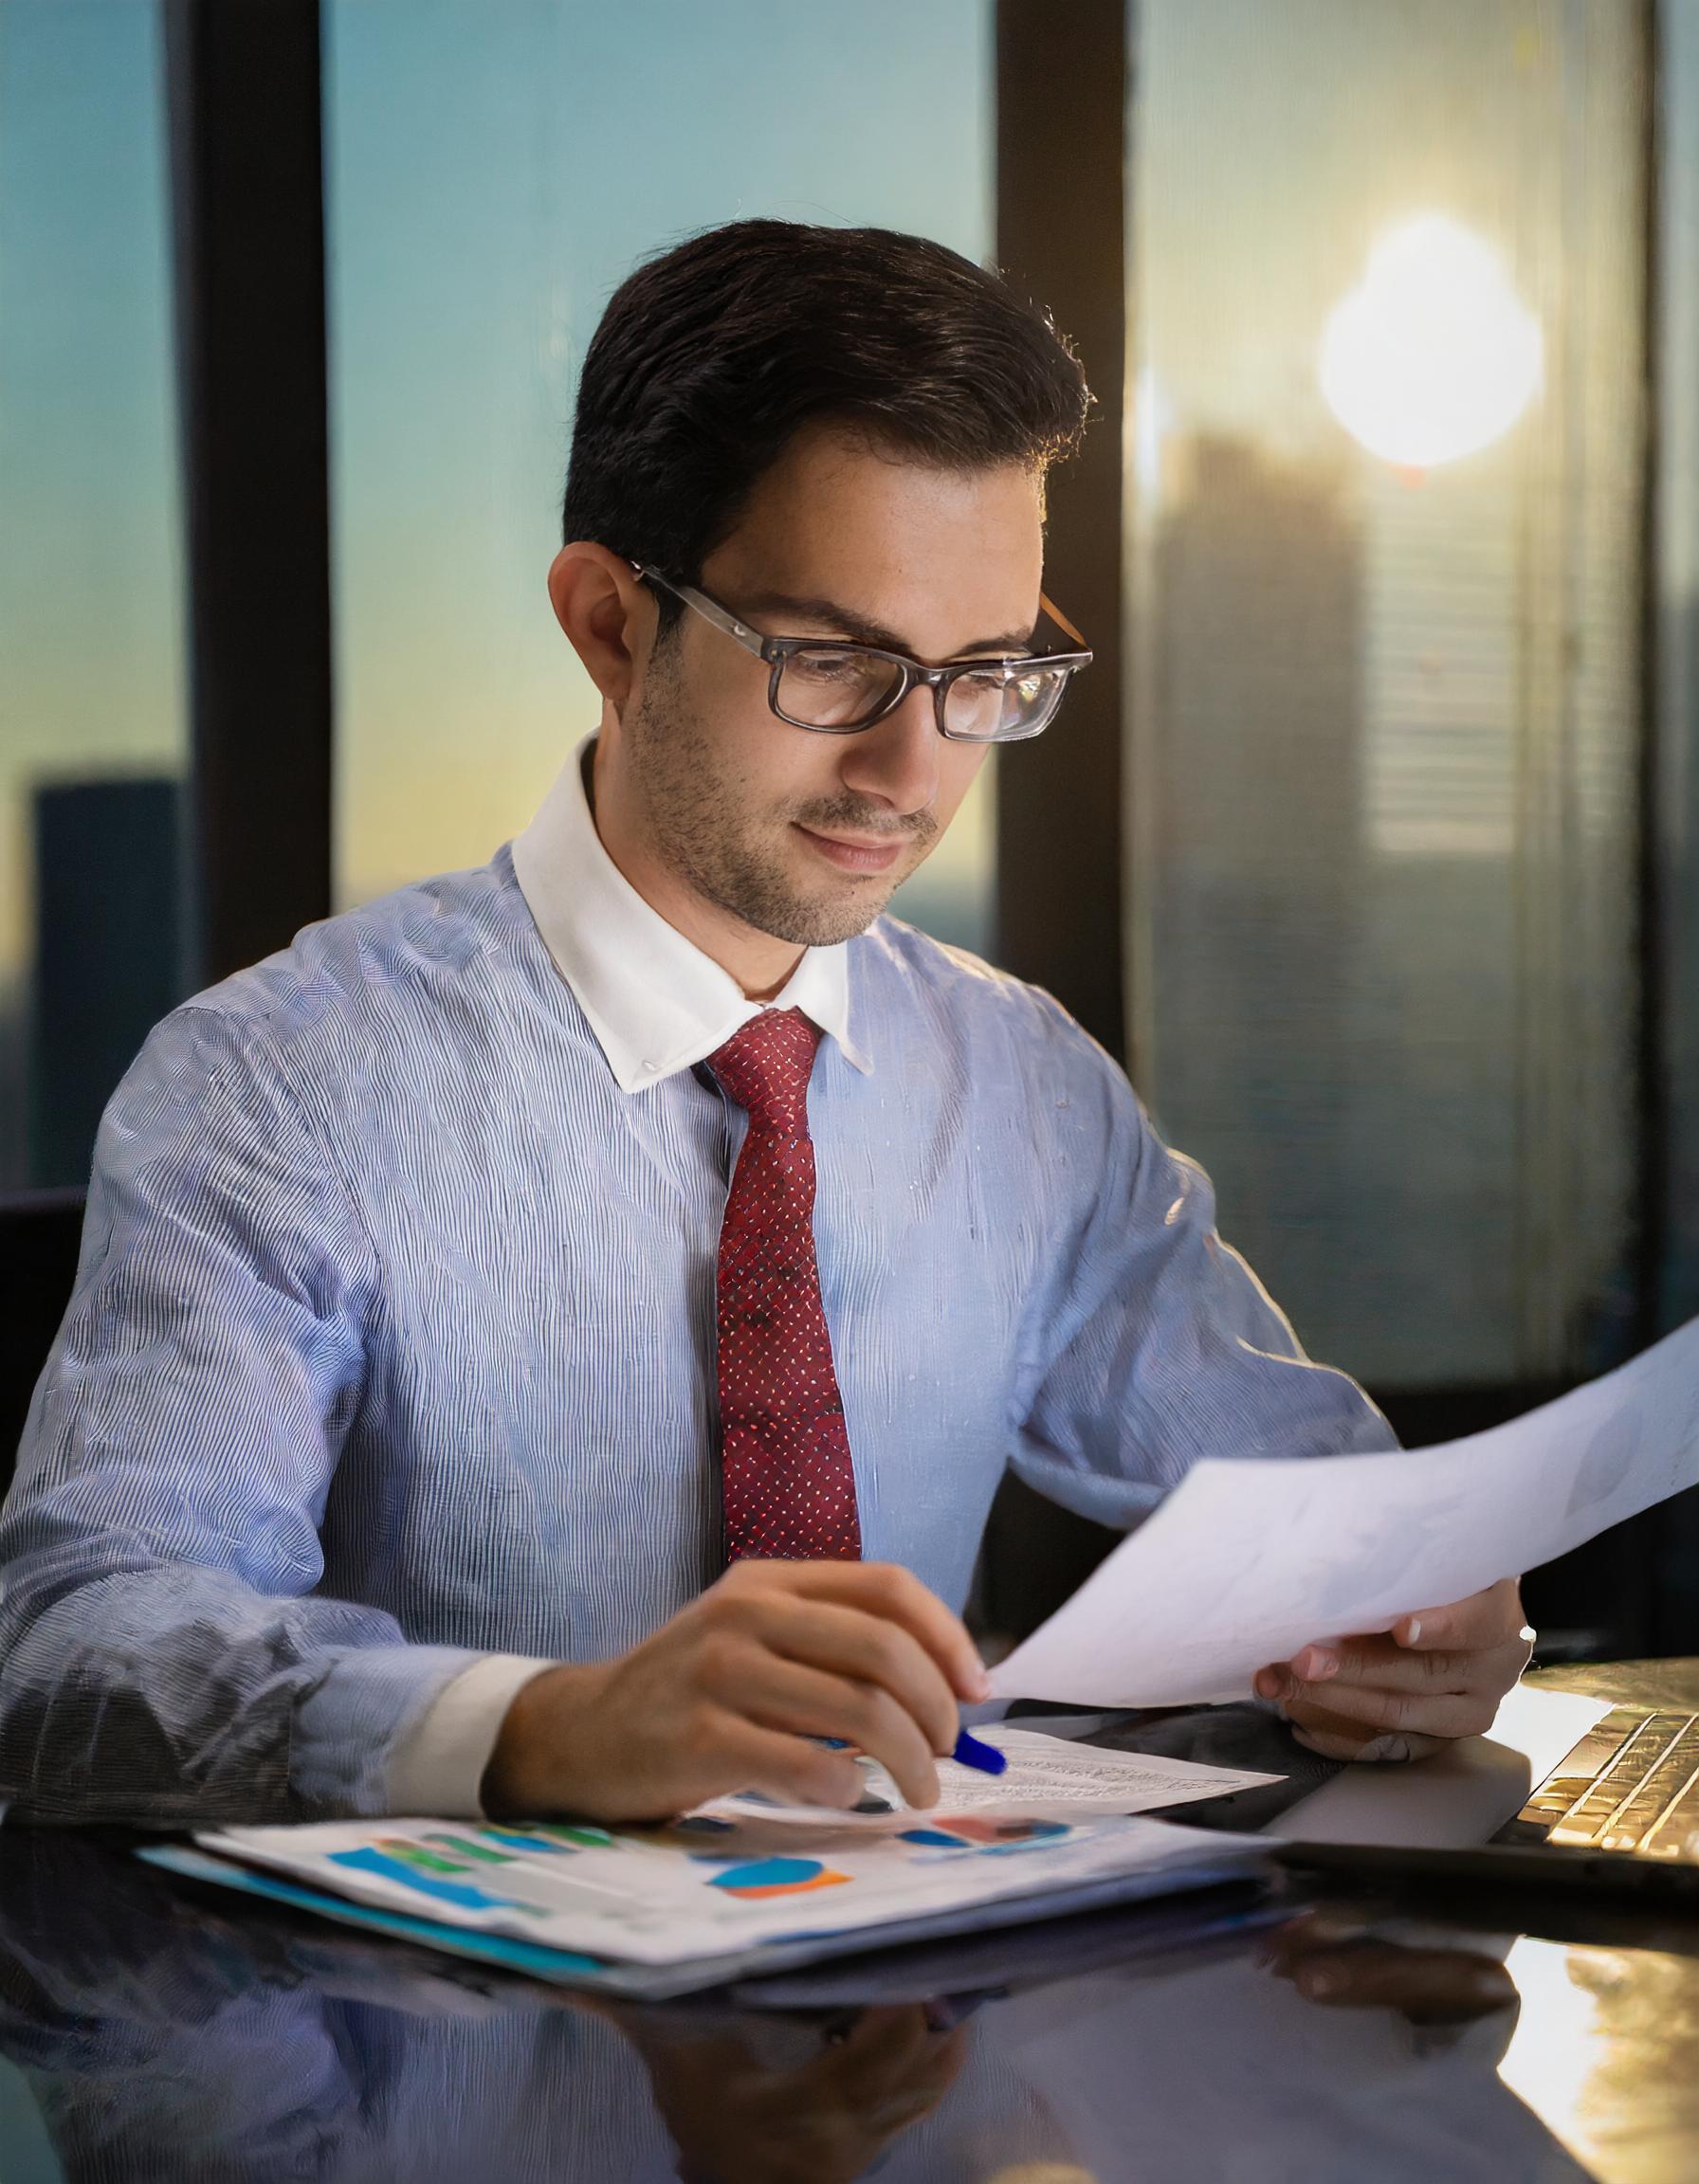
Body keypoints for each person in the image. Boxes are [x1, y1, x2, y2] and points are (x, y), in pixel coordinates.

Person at [0, 220, 1531, 1830]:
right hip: (439, 2053)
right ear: (608, 623)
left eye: (983, 673)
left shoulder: (1017, 1087)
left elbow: (1329, 1514)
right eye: (835, 663)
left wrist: (1421, 1610)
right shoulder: (279, 1083)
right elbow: (72, 1648)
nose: (912, 774)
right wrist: (545, 1728)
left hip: (924, 2017)